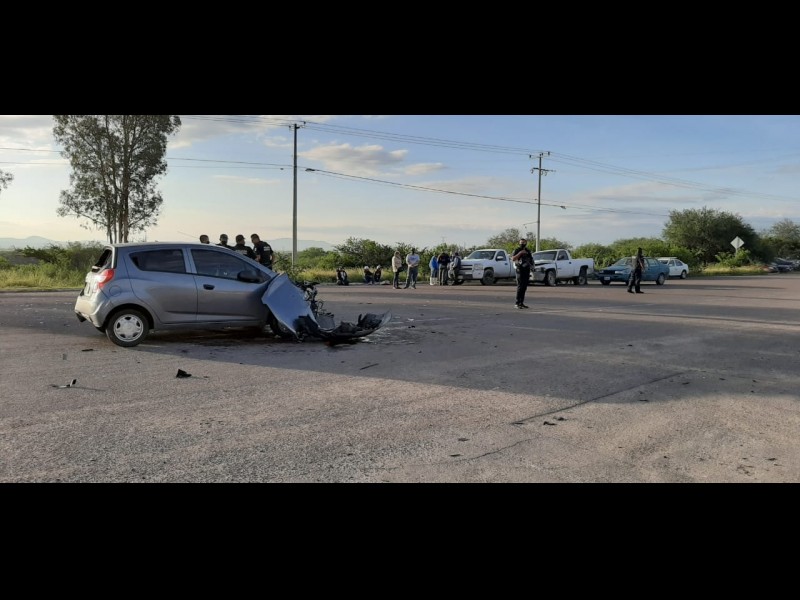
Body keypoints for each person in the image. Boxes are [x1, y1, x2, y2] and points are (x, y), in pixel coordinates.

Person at [511, 238, 533, 309]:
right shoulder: (517, 250)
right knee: (520, 286)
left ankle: (521, 303)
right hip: (519, 270)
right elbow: (513, 258)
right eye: (521, 243)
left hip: (526, 270)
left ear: (526, 243)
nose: (522, 244)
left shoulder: (528, 250)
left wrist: (532, 266)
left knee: (524, 287)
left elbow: (531, 259)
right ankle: (517, 303)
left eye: (523, 243)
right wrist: (520, 253)